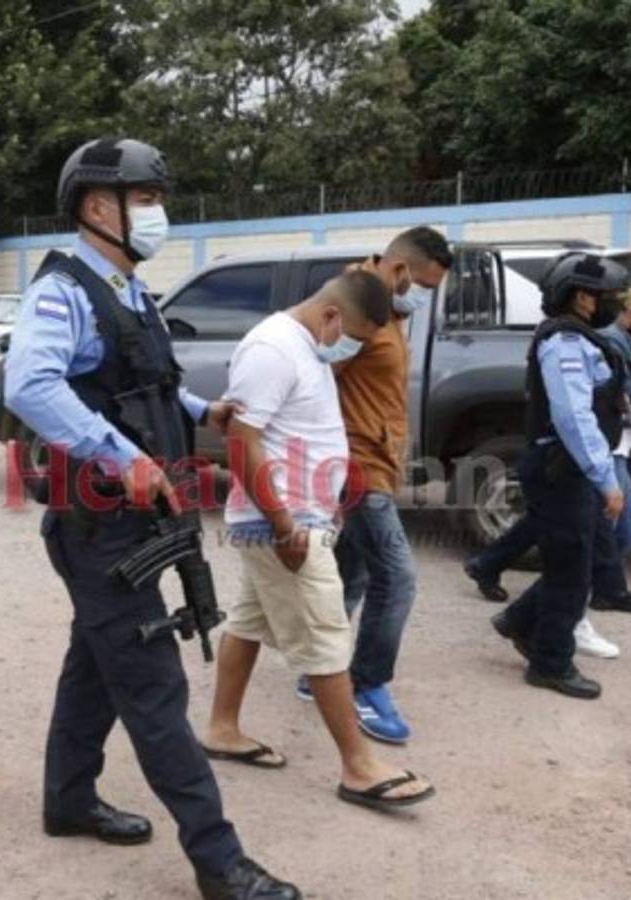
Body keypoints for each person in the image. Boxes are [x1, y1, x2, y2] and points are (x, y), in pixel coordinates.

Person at [5, 138, 299, 900]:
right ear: (98, 207)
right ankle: (218, 860)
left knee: (93, 668)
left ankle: (67, 801)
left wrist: (205, 409)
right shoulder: (63, 290)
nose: (157, 213)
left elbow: (140, 384)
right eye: (145, 199)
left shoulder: (128, 291)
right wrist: (118, 458)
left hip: (138, 520)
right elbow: (30, 385)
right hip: (98, 523)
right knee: (155, 689)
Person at [201, 267, 434, 813]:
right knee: (327, 640)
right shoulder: (274, 349)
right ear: (332, 314)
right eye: (352, 335)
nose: (350, 347)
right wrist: (284, 523)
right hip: (282, 524)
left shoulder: (305, 345)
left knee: (247, 624)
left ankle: (222, 727)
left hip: (294, 517)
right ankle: (358, 766)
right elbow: (242, 442)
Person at [464, 282, 631, 650]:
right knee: (596, 542)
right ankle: (561, 622)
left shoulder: (619, 345)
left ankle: (516, 602)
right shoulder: (590, 343)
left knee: (572, 535)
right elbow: (583, 412)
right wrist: (627, 434)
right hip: (593, 455)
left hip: (601, 451)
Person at [305, 227, 451, 745]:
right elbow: (316, 373)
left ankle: (318, 667)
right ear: (399, 270)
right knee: (398, 575)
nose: (426, 296)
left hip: (378, 457)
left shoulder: (392, 307)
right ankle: (365, 686)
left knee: (356, 568)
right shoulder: (355, 301)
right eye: (424, 285)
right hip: (356, 462)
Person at [491, 252, 631, 699]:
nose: (610, 303)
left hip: (568, 467)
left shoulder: (581, 339)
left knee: (579, 562)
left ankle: (517, 622)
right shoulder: (566, 343)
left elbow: (599, 406)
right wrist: (605, 479)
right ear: (580, 297)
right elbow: (573, 417)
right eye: (604, 296)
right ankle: (551, 663)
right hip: (562, 468)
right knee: (571, 570)